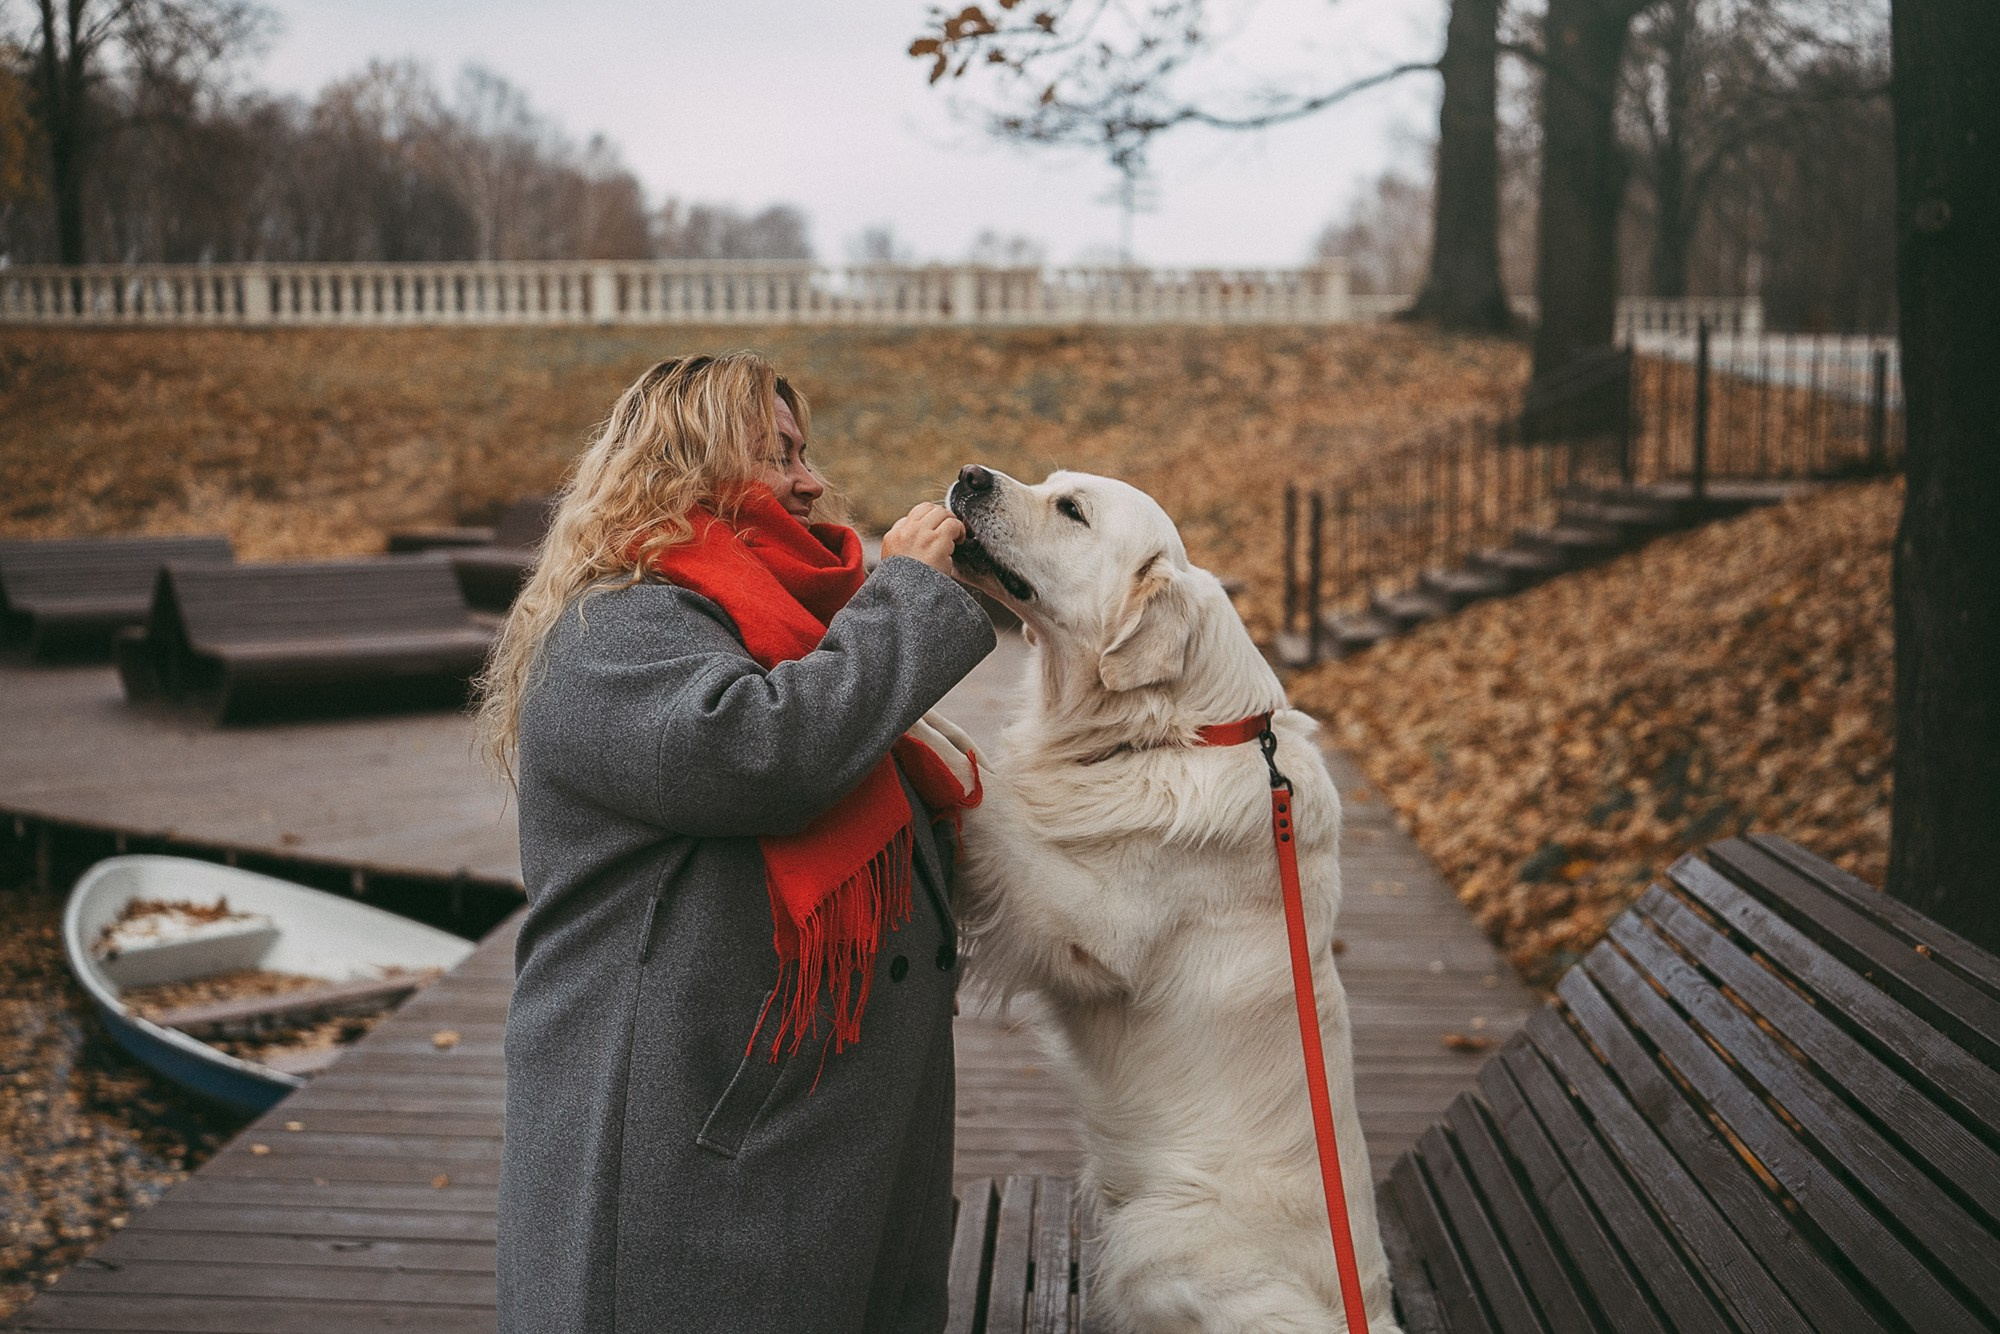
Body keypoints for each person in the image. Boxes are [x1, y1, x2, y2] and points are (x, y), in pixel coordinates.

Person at [477, 351, 995, 1332]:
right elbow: (755, 752)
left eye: (804, 452)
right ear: (680, 469)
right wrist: (906, 601)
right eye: (776, 454)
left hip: (805, 1143)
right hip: (691, 1153)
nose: (810, 479)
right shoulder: (617, 621)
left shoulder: (786, 632)